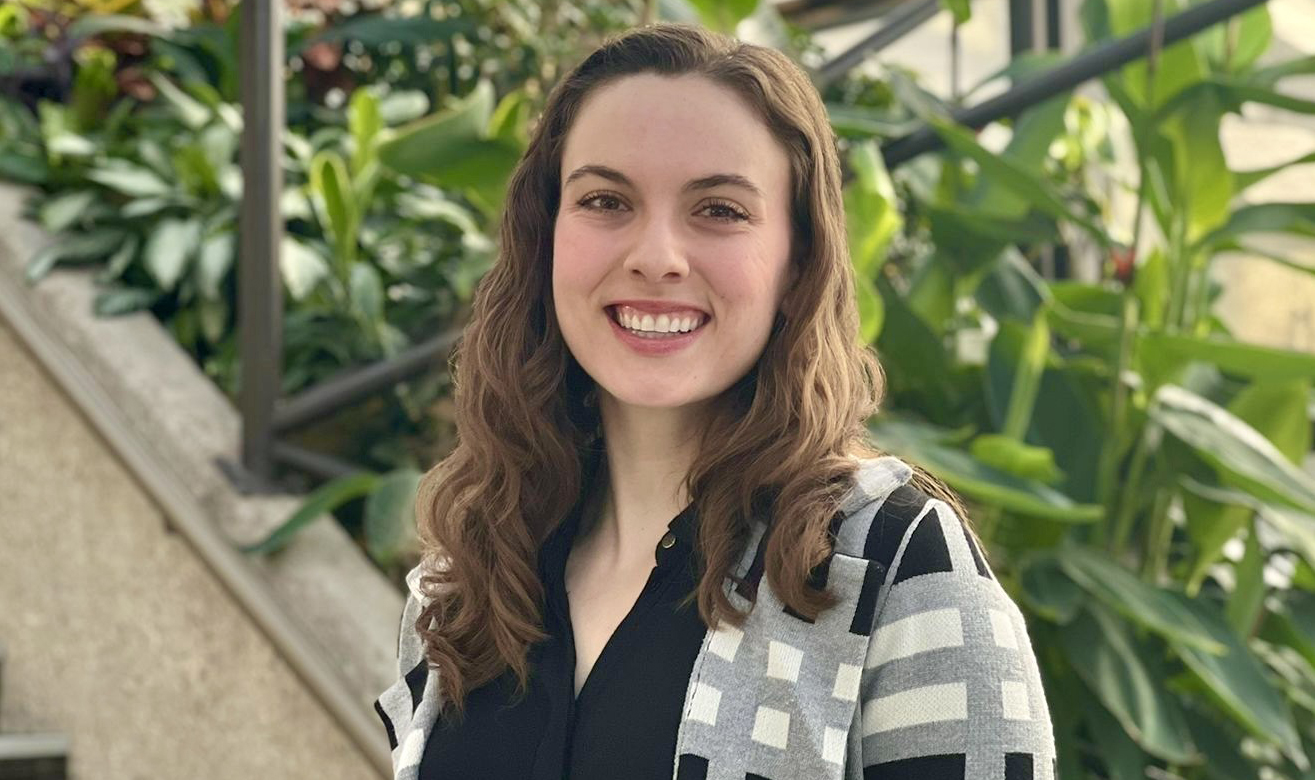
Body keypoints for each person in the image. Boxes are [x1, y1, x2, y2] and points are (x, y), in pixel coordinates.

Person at [374, 22, 1055, 780]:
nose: (656, 257)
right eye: (605, 200)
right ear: (546, 239)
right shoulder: (465, 578)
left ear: (797, 262)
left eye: (719, 210)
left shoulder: (893, 565)